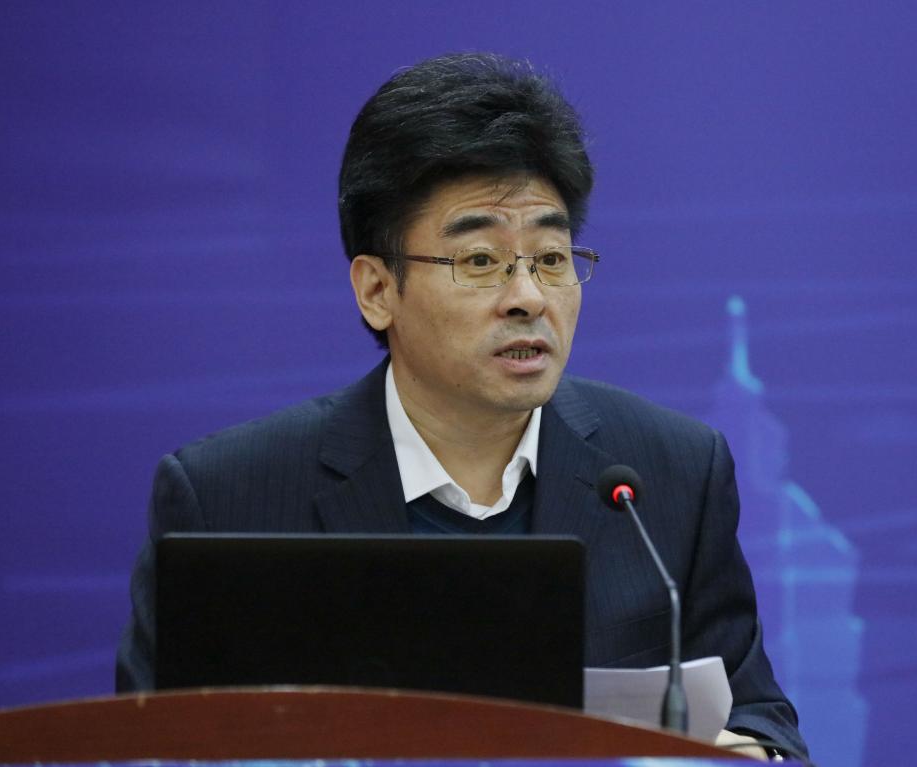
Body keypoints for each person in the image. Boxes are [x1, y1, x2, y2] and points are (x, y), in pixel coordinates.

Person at [116, 53, 806, 760]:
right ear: (377, 290)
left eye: (551, 258)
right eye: (480, 261)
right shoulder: (228, 496)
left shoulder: (670, 474)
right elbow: (149, 750)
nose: (528, 297)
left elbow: (759, 717)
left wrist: (751, 755)